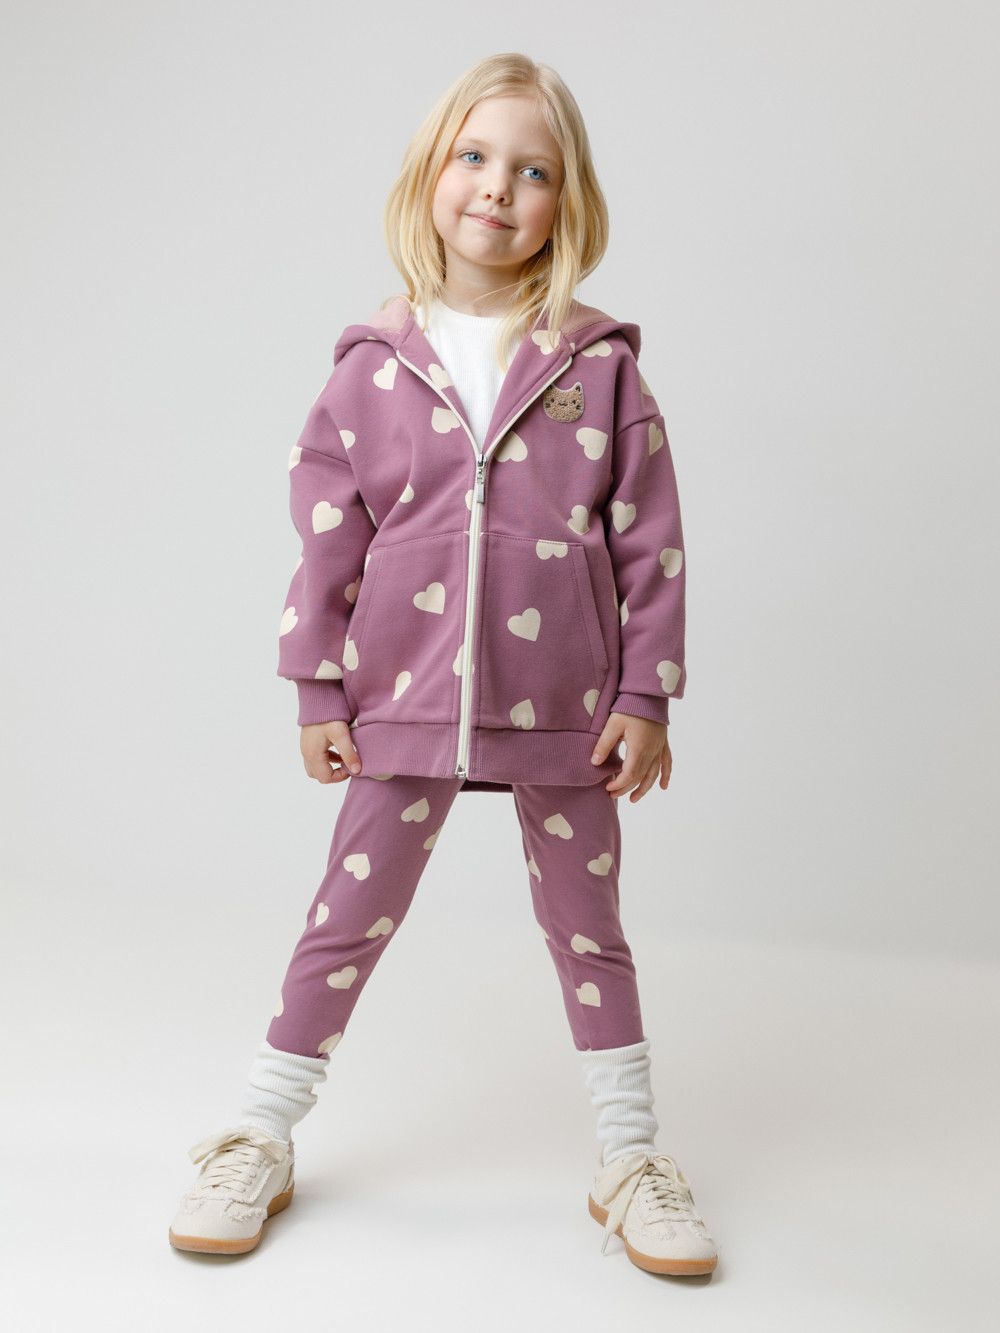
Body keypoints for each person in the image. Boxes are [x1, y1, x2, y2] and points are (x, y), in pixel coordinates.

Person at [169, 51, 718, 1278]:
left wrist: (645, 694)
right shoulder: (369, 367)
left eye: (533, 170)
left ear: (565, 205)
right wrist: (317, 687)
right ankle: (258, 1132)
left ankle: (631, 1157)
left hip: (566, 706)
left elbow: (653, 543)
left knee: (589, 931)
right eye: (474, 157)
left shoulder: (600, 367)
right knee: (343, 920)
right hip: (404, 699)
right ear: (430, 175)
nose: (497, 187)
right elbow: (327, 540)